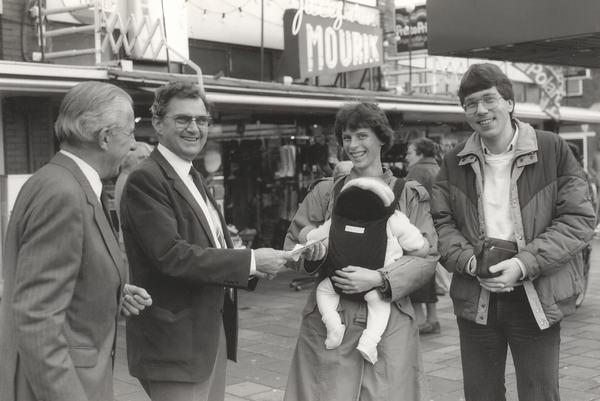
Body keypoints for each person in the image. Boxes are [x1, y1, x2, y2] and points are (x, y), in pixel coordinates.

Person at [120, 80, 293, 401]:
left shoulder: (192, 175)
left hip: (208, 333)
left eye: (201, 120)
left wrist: (253, 268)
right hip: (174, 344)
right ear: (157, 123)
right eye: (182, 119)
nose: (194, 128)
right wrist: (250, 260)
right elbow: (171, 255)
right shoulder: (147, 178)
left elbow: (210, 246)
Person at [432, 63, 596, 401]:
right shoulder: (453, 161)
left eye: (488, 99)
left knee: (539, 393)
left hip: (536, 295)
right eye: (470, 104)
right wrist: (470, 263)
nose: (480, 110)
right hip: (476, 295)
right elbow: (441, 223)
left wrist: (523, 264)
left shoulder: (552, 149)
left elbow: (578, 219)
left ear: (509, 102)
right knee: (481, 394)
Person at [0, 81, 152, 401]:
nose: (133, 143)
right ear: (105, 137)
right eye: (130, 132)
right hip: (68, 385)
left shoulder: (59, 180)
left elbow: (58, 277)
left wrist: (111, 290)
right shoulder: (64, 192)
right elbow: (37, 317)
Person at [284, 102, 439, 401]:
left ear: (382, 138)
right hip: (330, 320)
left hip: (389, 321)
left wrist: (380, 278)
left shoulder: (407, 193)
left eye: (362, 135)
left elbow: (427, 255)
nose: (353, 145)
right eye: (347, 137)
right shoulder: (325, 192)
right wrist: (312, 253)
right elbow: (292, 245)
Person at [298, 176, 429, 364]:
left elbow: (314, 236)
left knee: (323, 291)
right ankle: (370, 341)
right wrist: (422, 245)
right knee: (380, 307)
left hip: (338, 280)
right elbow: (417, 245)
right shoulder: (394, 219)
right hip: (377, 289)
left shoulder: (336, 220)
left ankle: (332, 324)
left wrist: (305, 234)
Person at [405, 137, 442, 334]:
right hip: (435, 228)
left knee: (416, 273)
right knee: (429, 273)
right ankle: (432, 318)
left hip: (419, 228)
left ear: (420, 154)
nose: (406, 157)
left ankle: (420, 320)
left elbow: (410, 202)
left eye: (410, 152)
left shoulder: (417, 171)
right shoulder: (436, 168)